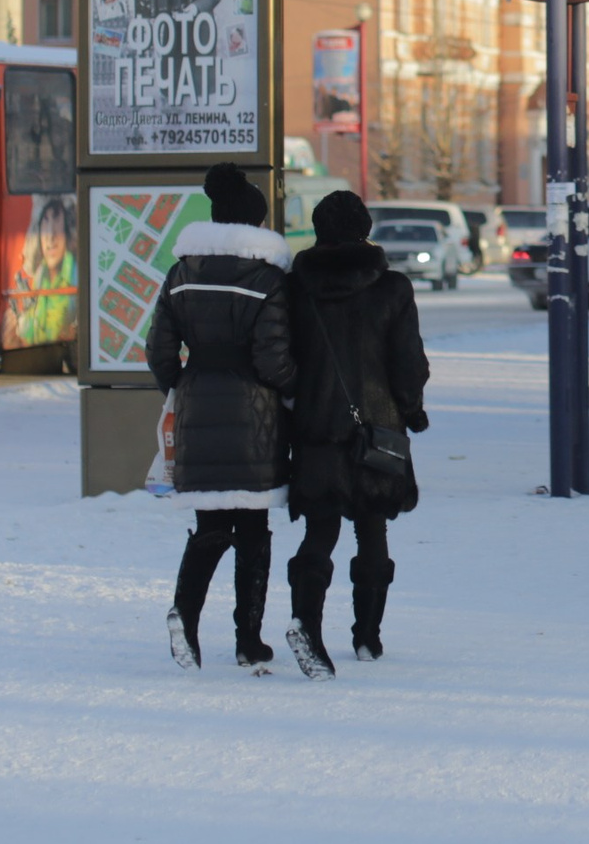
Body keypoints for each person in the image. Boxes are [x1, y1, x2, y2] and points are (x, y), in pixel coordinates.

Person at [146, 163, 296, 673]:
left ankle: (183, 615)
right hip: (255, 414)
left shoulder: (180, 275)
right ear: (254, 226)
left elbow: (159, 351)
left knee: (209, 522)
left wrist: (184, 389)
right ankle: (248, 640)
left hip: (197, 403)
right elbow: (275, 359)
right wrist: (292, 394)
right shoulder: (267, 278)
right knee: (253, 527)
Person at [283, 189, 430, 676]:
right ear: (365, 230)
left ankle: (305, 623)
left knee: (319, 529)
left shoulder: (296, 287)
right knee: (372, 527)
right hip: (377, 428)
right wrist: (412, 411)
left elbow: (284, 358)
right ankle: (367, 636)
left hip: (316, 427)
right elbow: (407, 362)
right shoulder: (392, 288)